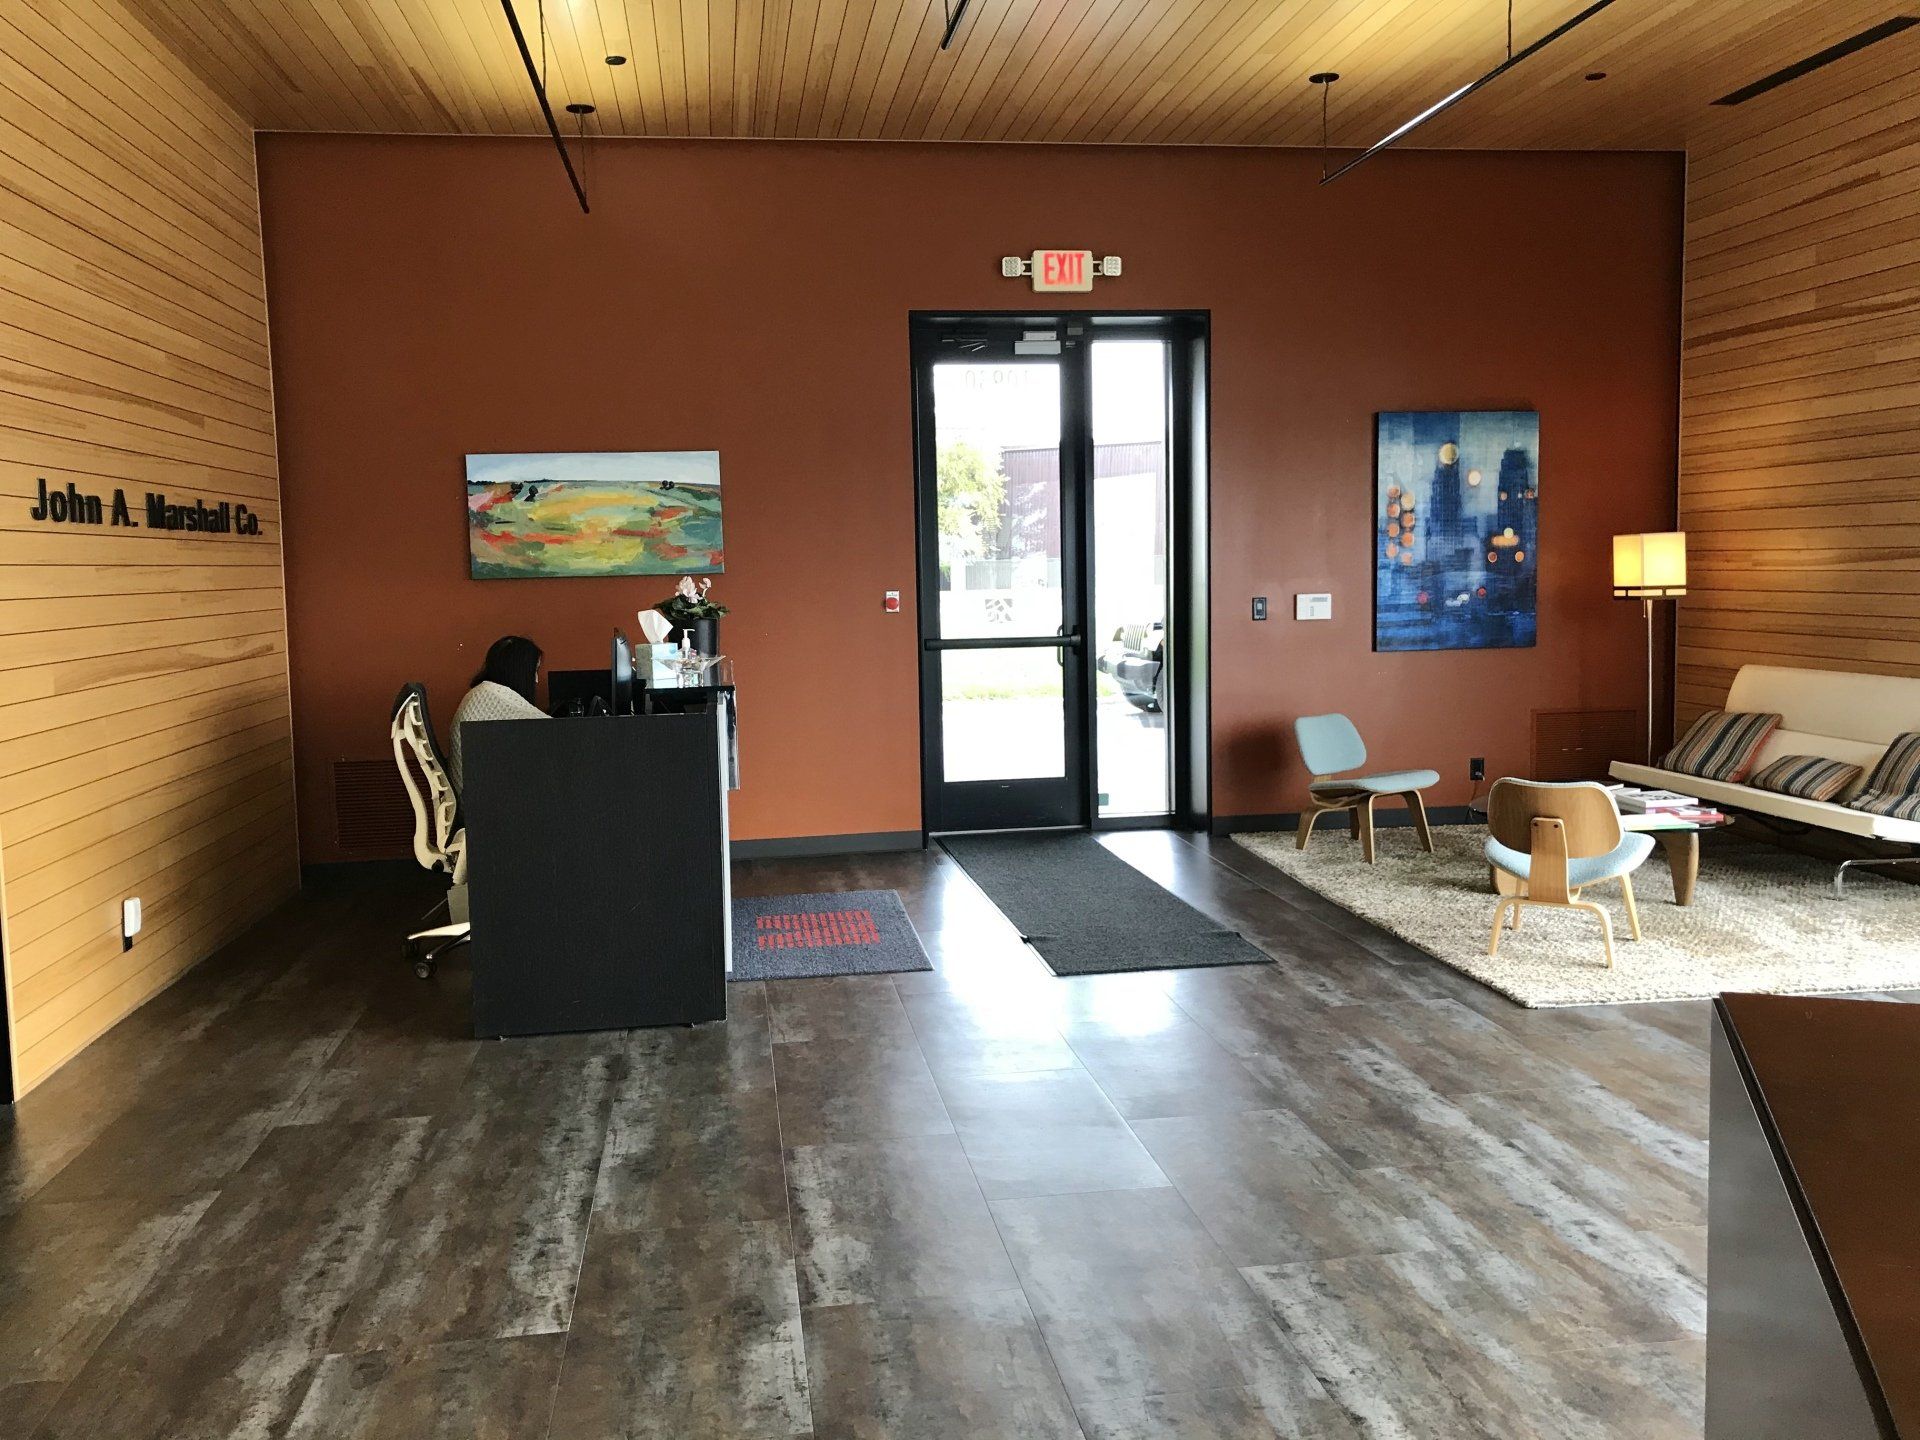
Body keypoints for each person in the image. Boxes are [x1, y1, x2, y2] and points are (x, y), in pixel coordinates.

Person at [448, 635, 547, 793]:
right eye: (534, 671)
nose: (535, 680)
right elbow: (552, 729)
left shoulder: (481, 692)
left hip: (477, 796)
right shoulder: (494, 697)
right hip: (485, 804)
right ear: (519, 671)